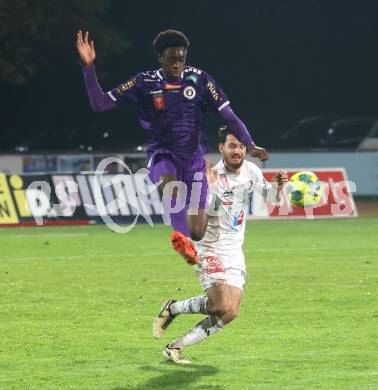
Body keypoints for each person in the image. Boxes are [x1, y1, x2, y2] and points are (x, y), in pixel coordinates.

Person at [76, 29, 268, 247]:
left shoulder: (200, 79)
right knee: (171, 187)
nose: (177, 64)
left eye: (181, 59)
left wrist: (250, 144)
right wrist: (89, 68)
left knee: (197, 232)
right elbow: (99, 103)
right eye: (171, 59)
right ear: (160, 58)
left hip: (194, 161)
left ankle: (191, 240)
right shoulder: (144, 82)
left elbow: (229, 116)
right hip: (163, 155)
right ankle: (182, 242)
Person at [153, 125, 288, 364]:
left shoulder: (252, 171)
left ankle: (174, 347)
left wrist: (278, 188)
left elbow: (270, 199)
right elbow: (195, 219)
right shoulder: (211, 179)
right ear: (221, 148)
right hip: (210, 248)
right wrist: (208, 189)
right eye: (232, 146)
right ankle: (173, 309)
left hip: (235, 252)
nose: (238, 151)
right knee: (220, 305)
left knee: (230, 312)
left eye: (241, 146)